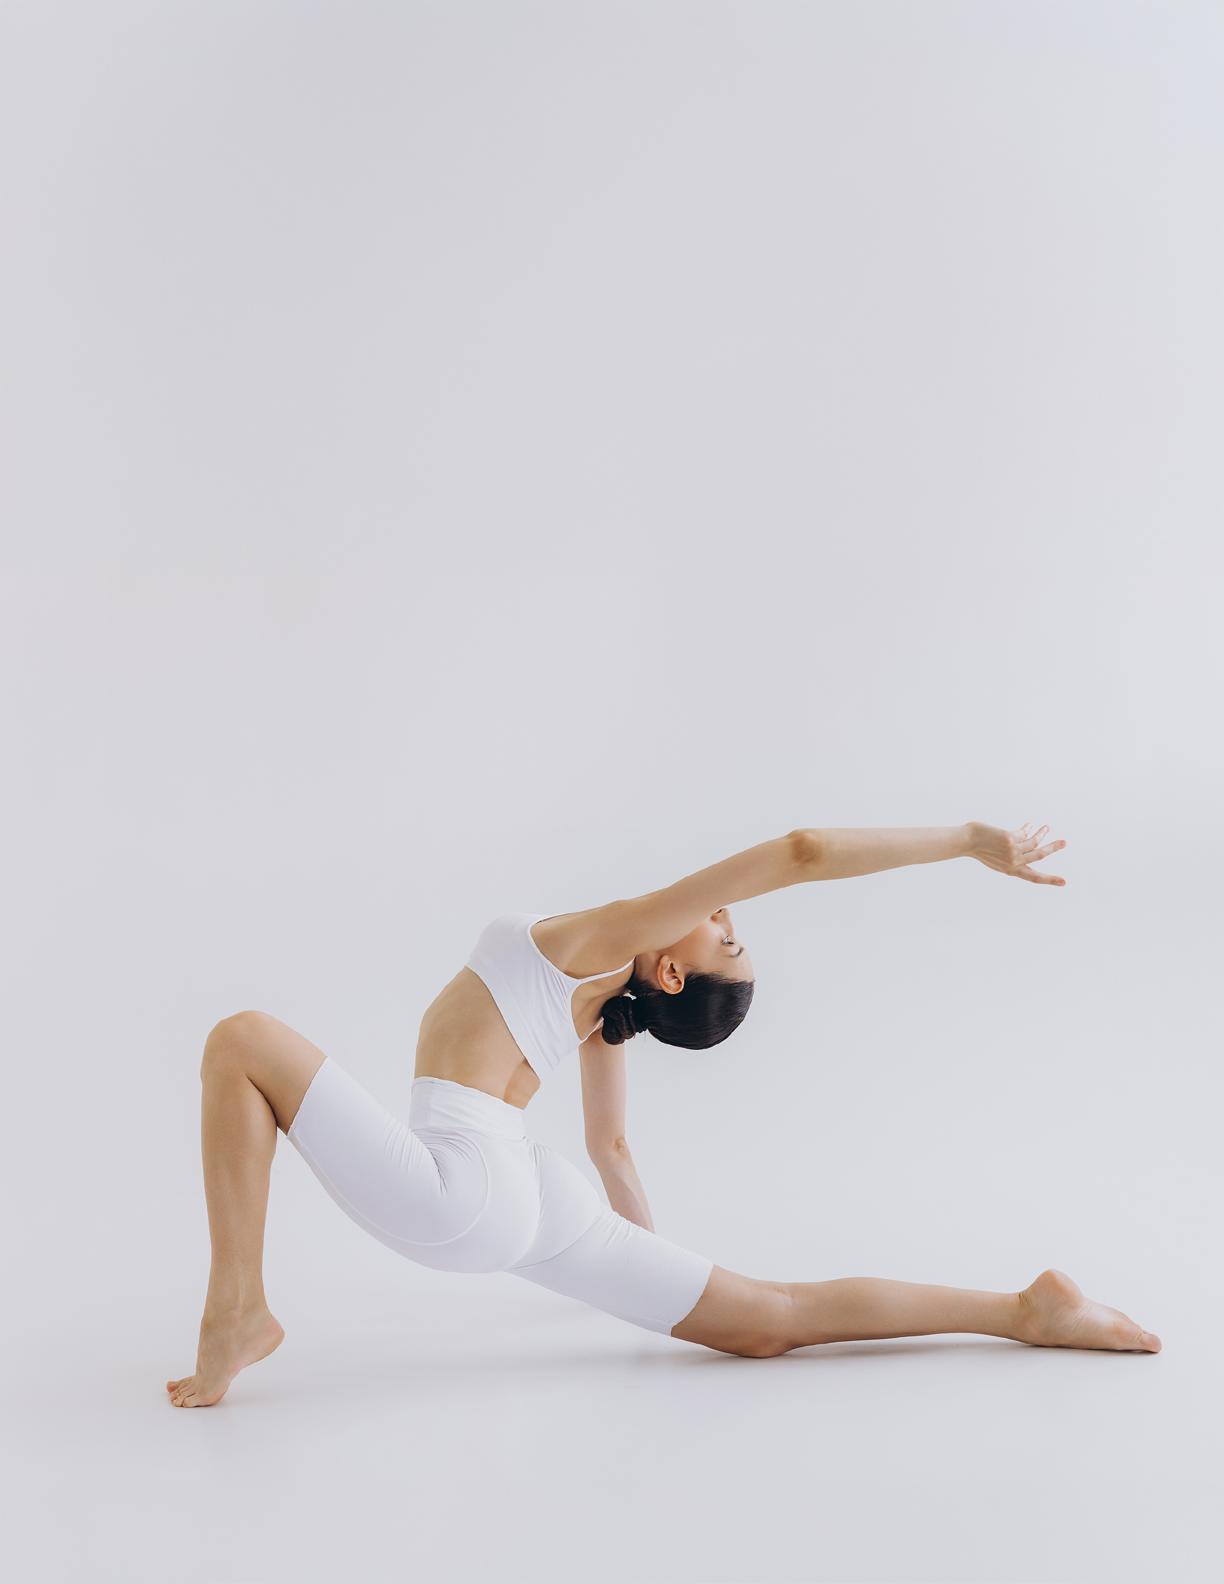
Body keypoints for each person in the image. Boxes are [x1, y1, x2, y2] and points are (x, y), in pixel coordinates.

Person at [167, 820, 1160, 1408]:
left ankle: (238, 1310)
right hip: (533, 1198)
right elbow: (610, 1148)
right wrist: (652, 1273)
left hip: (460, 1193)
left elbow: (802, 851)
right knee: (769, 1320)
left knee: (243, 1040)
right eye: (733, 928)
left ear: (673, 971)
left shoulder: (604, 943)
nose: (726, 916)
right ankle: (1022, 1311)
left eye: (724, 938)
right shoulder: (605, 1014)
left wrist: (972, 841)